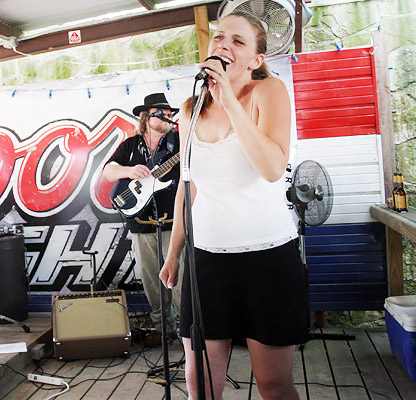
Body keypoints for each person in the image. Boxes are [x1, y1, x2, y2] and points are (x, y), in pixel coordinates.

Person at [159, 12, 308, 400]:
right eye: (219, 37)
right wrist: (174, 252)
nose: (223, 44)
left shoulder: (268, 91)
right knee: (201, 382)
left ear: (256, 60)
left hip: (268, 257)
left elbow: (272, 168)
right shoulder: (191, 108)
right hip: (207, 259)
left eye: (238, 41)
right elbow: (186, 187)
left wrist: (229, 98)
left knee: (273, 384)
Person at [103, 92, 185, 340]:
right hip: (141, 223)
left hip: (174, 222)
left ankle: (186, 329)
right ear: (148, 117)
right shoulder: (130, 145)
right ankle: (164, 328)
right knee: (152, 280)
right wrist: (129, 170)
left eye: (172, 114)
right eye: (165, 113)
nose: (170, 117)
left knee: (180, 280)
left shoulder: (179, 142)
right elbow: (109, 172)